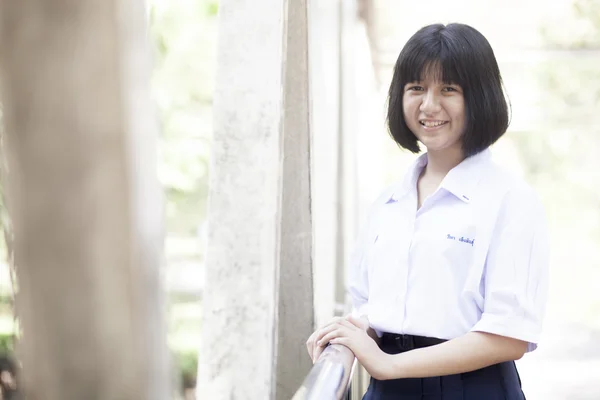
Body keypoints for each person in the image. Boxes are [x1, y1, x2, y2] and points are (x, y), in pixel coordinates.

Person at [305, 23, 549, 400]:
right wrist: (348, 333)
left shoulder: (510, 200)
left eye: (448, 89)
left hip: (470, 388)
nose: (429, 105)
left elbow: (509, 335)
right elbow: (371, 304)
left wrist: (387, 364)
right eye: (416, 88)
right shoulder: (388, 202)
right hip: (387, 389)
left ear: (480, 97)